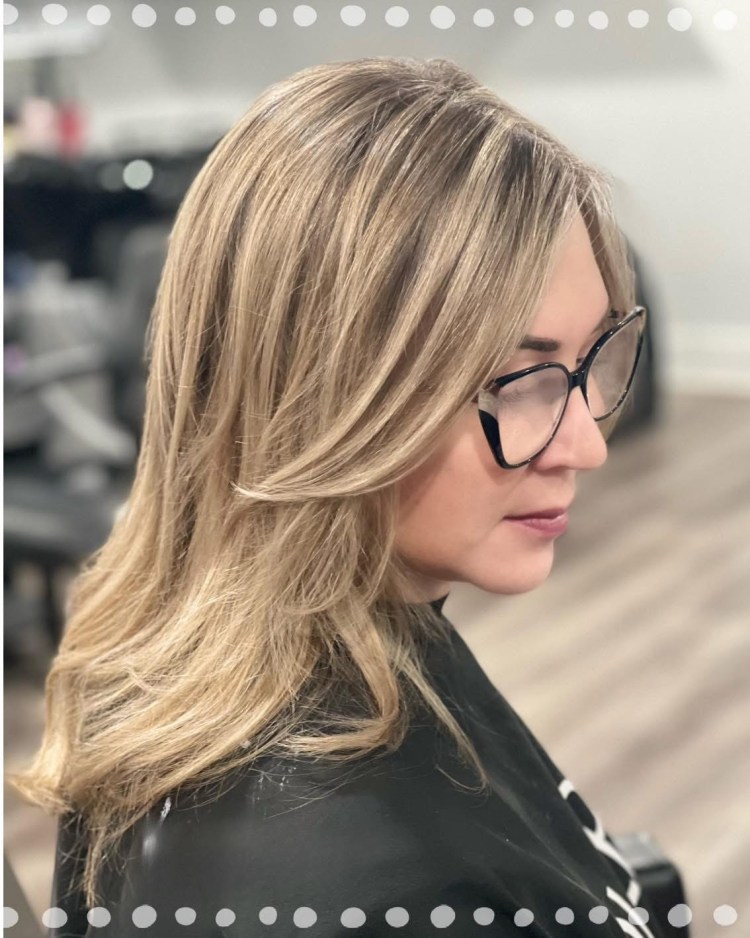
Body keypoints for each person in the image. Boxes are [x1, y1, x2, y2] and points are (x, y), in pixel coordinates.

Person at [8, 56, 656, 937]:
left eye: (593, 360)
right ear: (324, 399)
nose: (586, 445)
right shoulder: (352, 880)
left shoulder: (339, 626)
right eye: (518, 380)